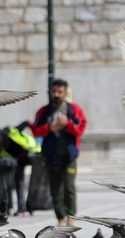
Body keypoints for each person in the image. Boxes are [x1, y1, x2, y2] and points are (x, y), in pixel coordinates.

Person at [30, 78, 87, 227]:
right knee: (56, 188)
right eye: (54, 91)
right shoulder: (43, 112)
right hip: (51, 155)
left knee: (69, 186)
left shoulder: (74, 110)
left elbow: (80, 129)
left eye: (59, 91)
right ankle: (60, 217)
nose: (56, 94)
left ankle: (71, 216)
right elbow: (36, 131)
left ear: (65, 93)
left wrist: (67, 124)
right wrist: (50, 128)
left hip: (69, 155)